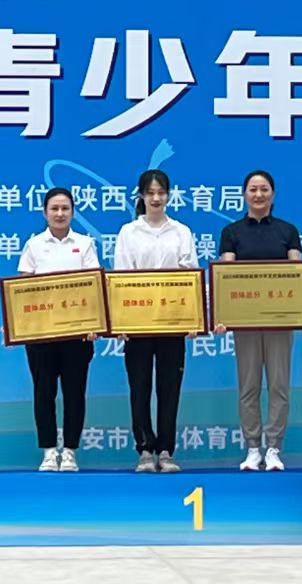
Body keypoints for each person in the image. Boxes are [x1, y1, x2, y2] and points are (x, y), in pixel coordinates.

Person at [213, 169, 302, 471]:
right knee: (249, 387)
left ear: (273, 194)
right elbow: (226, 278)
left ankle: (274, 447)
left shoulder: (288, 231)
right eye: (253, 189)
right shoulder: (232, 232)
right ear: (244, 194)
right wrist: (224, 315)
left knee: (279, 386)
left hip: (279, 323)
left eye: (264, 189)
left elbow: (296, 275)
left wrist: (300, 313)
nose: (258, 194)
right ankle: (253, 447)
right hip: (246, 323)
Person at [114, 168, 199, 474]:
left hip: (172, 322)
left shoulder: (181, 231)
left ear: (169, 196)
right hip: (138, 322)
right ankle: (144, 450)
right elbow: (121, 277)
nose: (156, 198)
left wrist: (193, 318)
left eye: (161, 193)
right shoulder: (129, 232)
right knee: (139, 387)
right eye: (150, 193)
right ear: (141, 196)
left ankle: (165, 450)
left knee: (169, 387)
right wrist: (121, 321)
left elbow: (190, 275)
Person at [16, 187, 100, 472]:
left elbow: (93, 287)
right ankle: (49, 452)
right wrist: (16, 324)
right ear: (45, 212)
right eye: (54, 208)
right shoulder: (34, 245)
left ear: (73, 212)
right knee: (44, 392)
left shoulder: (85, 244)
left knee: (75, 393)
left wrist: (94, 324)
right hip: (42, 335)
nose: (60, 213)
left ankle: (71, 452)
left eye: (65, 208)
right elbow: (22, 290)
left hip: (77, 334)